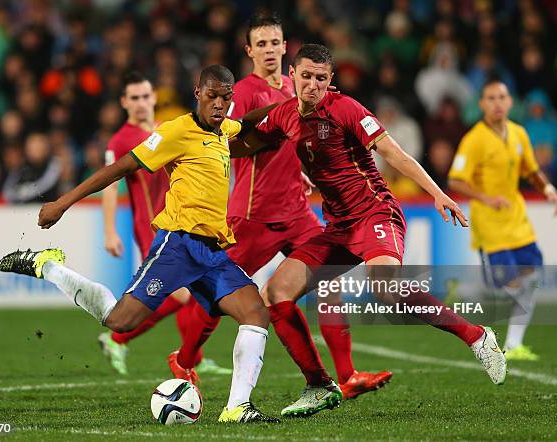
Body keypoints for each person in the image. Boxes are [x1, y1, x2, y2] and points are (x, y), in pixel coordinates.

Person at [0, 65, 279, 423]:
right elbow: (121, 168)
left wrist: (290, 103)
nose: (220, 104)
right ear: (197, 93)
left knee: (255, 312)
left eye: (227, 98)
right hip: (178, 245)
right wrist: (63, 203)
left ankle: (237, 407)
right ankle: (47, 266)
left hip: (211, 252)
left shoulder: (223, 128)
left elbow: (248, 122)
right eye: (213, 96)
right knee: (120, 321)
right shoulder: (177, 130)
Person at [238, 44, 506, 417]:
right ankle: (317, 384)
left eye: (321, 78)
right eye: (306, 77)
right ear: (293, 76)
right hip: (338, 226)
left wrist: (438, 193)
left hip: (375, 214)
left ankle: (477, 336)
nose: (312, 85)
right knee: (276, 292)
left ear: (330, 81)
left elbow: (394, 153)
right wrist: (199, 145)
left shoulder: (346, 109)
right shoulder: (284, 114)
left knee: (385, 289)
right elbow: (247, 142)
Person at [169, 13, 392, 402]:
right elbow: (231, 142)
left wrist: (302, 171)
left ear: (285, 47)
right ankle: (185, 359)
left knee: (331, 285)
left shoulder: (300, 86)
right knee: (218, 294)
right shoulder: (244, 92)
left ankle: (347, 375)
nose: (270, 49)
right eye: (262, 44)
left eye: (276, 42)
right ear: (249, 50)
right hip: (255, 213)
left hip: (298, 211)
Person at [97, 71, 230, 377]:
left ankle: (193, 358)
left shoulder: (167, 130)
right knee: (182, 294)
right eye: (135, 98)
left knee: (193, 294)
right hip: (152, 227)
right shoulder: (120, 141)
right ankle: (118, 338)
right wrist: (109, 231)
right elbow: (109, 186)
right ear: (124, 103)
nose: (142, 103)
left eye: (146, 96)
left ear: (154, 98)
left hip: (182, 224)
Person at [449, 79, 557, 361]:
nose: (497, 103)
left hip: (517, 220)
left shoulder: (519, 133)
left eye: (502, 97)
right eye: (491, 98)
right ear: (482, 104)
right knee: (506, 283)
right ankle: (464, 291)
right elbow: (455, 180)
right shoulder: (474, 139)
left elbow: (531, 170)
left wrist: (547, 188)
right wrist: (486, 199)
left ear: (510, 102)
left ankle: (514, 344)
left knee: (532, 276)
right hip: (490, 224)